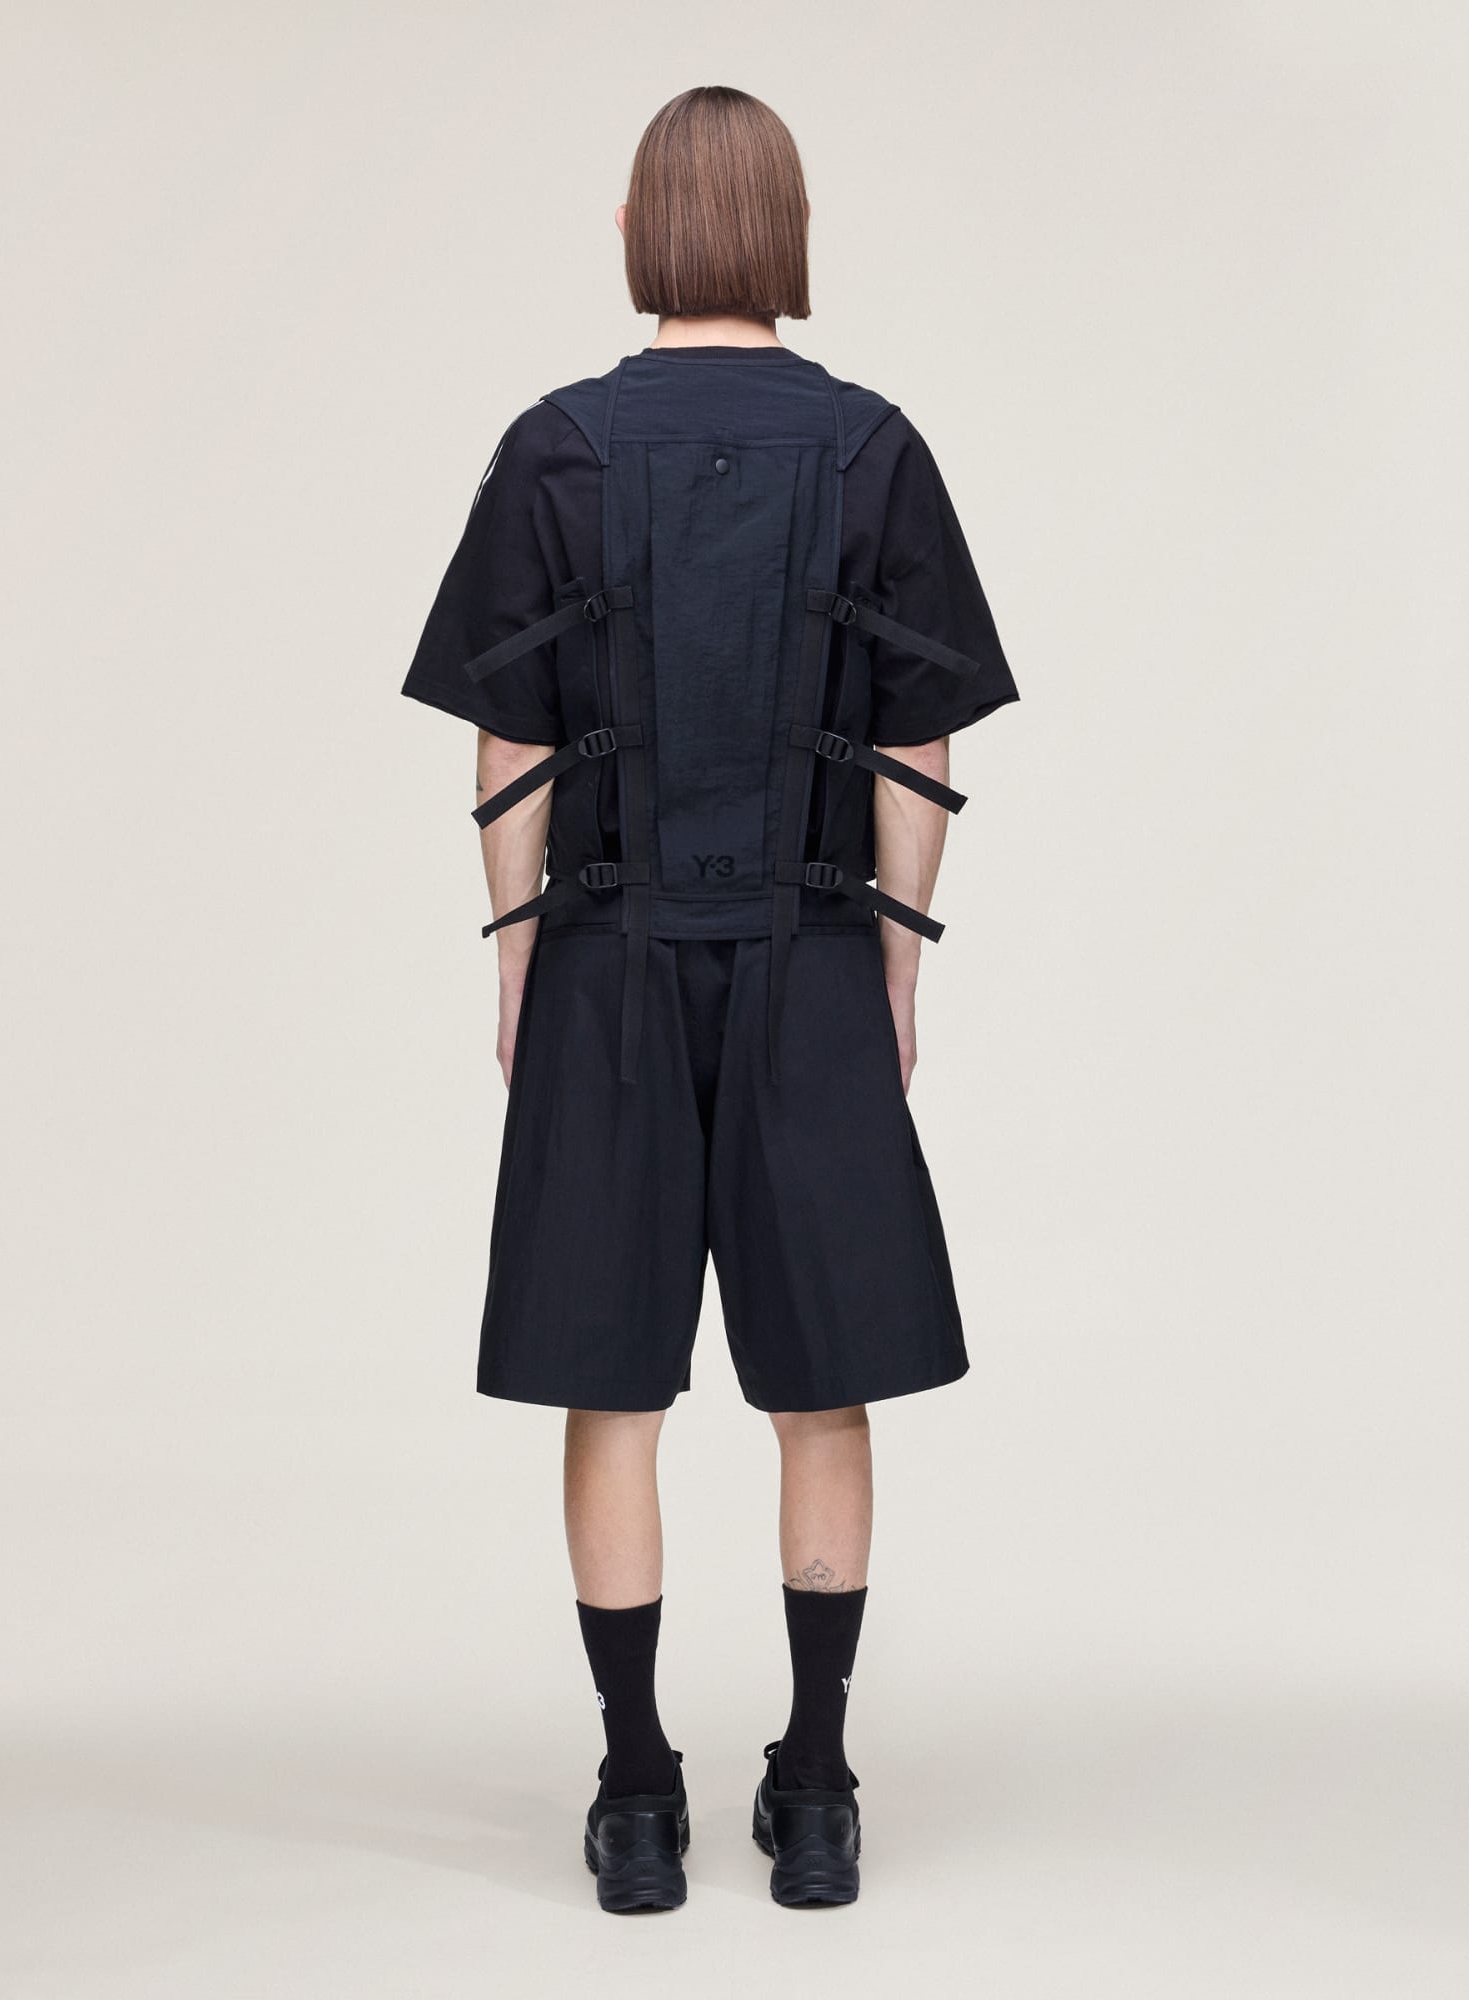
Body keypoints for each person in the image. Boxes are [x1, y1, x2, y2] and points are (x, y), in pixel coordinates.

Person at [401, 85, 1018, 1913]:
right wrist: (892, 958)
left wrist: (518, 958)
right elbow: (919, 737)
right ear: (789, 232)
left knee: (614, 1383)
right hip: (811, 953)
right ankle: (816, 1793)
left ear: (636, 231)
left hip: (605, 957)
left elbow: (512, 738)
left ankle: (636, 1795)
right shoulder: (876, 447)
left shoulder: (556, 448)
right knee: (824, 1384)